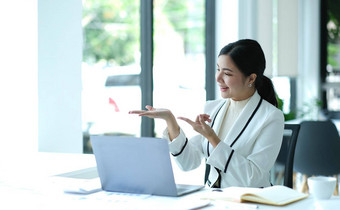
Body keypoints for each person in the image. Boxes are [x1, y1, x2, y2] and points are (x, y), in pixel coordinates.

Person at [129, 39, 284, 188]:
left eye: (227, 74)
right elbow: (188, 163)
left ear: (251, 78)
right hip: (214, 200)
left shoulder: (271, 117)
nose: (218, 78)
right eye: (218, 69)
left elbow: (252, 178)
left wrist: (212, 138)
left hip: (251, 202)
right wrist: (170, 121)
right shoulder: (213, 108)